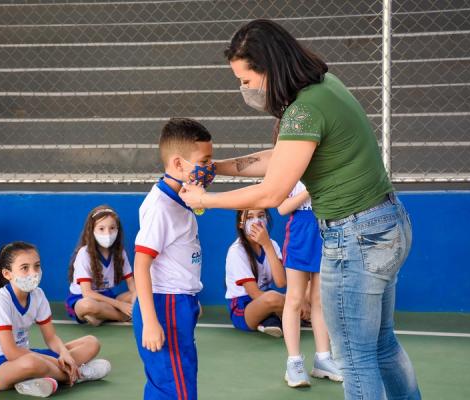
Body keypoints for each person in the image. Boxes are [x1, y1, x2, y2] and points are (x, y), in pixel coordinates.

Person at [179, 19, 420, 399]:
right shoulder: (325, 88)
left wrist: (204, 199)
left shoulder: (303, 111)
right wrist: (220, 167)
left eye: (246, 80)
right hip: (387, 224)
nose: (244, 89)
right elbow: (284, 155)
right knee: (380, 344)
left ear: (269, 70)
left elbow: (272, 192)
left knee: (355, 358)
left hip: (356, 236)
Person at [132, 118, 215, 399]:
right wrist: (151, 321)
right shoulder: (160, 208)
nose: (209, 168)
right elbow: (141, 265)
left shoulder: (182, 198)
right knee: (175, 387)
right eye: (204, 161)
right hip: (164, 304)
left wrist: (190, 296)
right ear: (179, 164)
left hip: (179, 302)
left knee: (176, 379)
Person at [0, 241, 111, 397]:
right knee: (33, 362)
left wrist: (64, 354)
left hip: (26, 355)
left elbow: (51, 337)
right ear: (7, 274)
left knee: (91, 342)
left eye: (37, 266)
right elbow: (11, 353)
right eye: (24, 268)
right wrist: (55, 361)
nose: (33, 273)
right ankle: (79, 374)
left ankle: (43, 378)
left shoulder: (38, 295)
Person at [278, 181, 342, 386]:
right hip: (300, 234)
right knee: (295, 299)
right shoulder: (290, 172)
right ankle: (294, 363)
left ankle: (323, 359)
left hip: (326, 231)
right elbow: (282, 208)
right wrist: (309, 190)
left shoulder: (327, 167)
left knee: (320, 299)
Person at [65, 205, 135, 326]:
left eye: (112, 228)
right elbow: (87, 293)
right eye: (101, 229)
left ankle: (101, 316)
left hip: (107, 298)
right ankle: (122, 316)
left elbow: (132, 285)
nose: (107, 233)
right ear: (92, 230)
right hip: (82, 298)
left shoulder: (120, 252)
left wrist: (136, 300)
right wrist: (120, 306)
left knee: (142, 294)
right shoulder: (84, 253)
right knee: (88, 305)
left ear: (118, 230)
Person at [225, 208, 286, 337]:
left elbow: (281, 282)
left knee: (307, 293)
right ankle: (277, 316)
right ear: (240, 224)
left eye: (261, 215)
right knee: (274, 298)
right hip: (244, 307)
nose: (256, 221)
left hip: (266, 296)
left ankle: (271, 320)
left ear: (266, 219)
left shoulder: (272, 245)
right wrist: (294, 304)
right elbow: (254, 293)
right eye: (249, 217)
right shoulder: (237, 251)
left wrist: (267, 245)